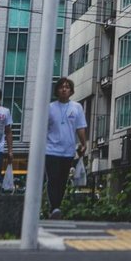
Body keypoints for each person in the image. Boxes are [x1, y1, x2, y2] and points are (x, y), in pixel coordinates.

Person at [44, 76, 88, 218]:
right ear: (57, 90)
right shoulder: (50, 107)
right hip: (51, 149)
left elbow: (80, 127)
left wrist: (83, 143)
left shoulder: (77, 107)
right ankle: (54, 207)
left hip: (68, 151)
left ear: (71, 91)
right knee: (53, 178)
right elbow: (43, 128)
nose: (64, 89)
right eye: (61, 87)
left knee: (62, 180)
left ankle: (55, 207)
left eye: (67, 87)